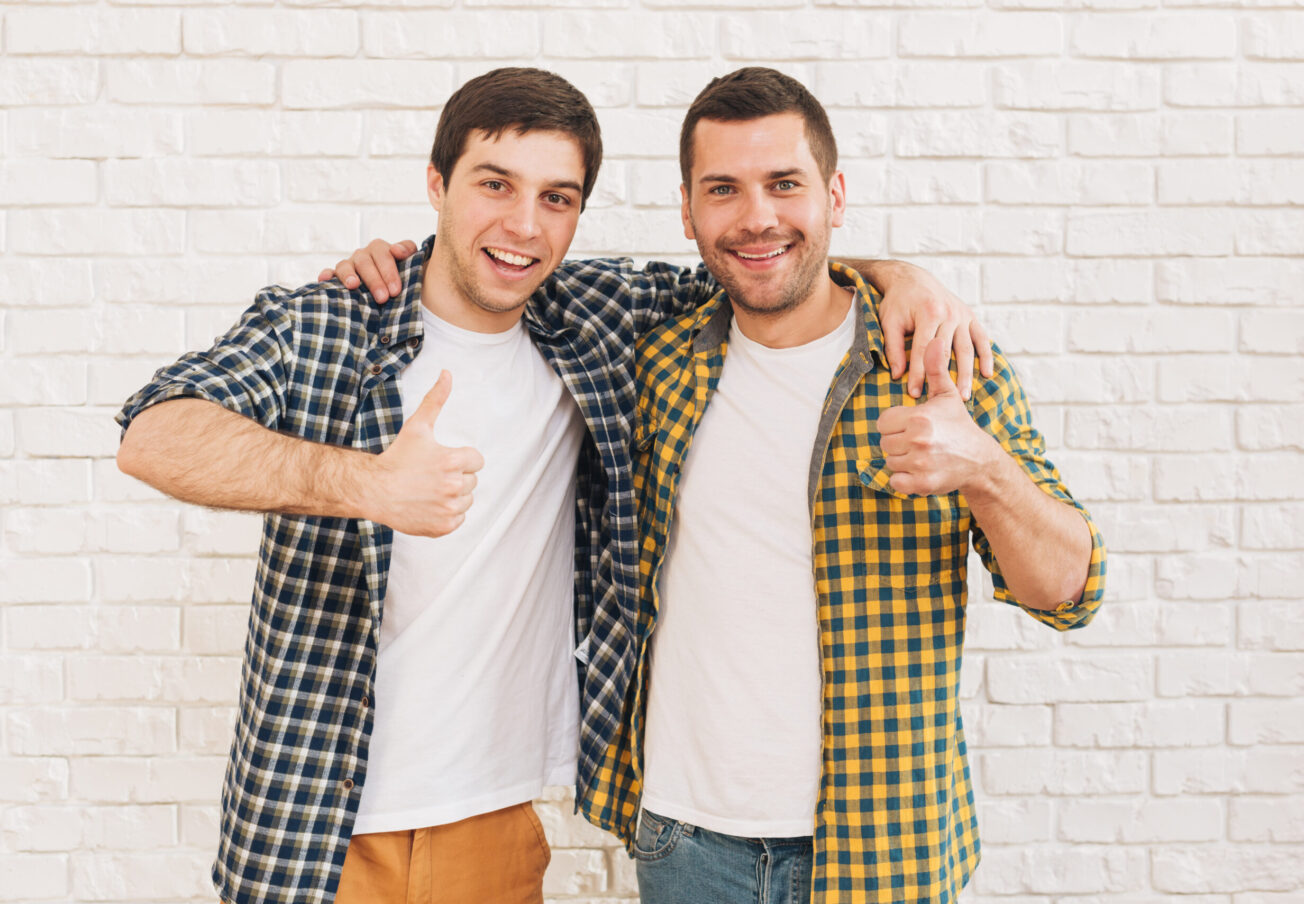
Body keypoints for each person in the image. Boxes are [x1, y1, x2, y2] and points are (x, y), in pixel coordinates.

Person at [115, 68, 988, 904]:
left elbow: (763, 264)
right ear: (437, 183)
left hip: (497, 821)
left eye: (556, 198)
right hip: (316, 831)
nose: (524, 225)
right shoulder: (332, 323)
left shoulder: (593, 321)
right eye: (495, 184)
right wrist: (366, 484)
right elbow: (155, 434)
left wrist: (898, 275)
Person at [582, 68, 1105, 904]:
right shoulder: (655, 362)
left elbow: (1070, 590)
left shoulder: (936, 363)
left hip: (886, 844)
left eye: (784, 184)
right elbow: (505, 286)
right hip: (685, 843)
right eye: (724, 189)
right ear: (687, 210)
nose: (756, 216)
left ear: (834, 194)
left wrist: (984, 471)